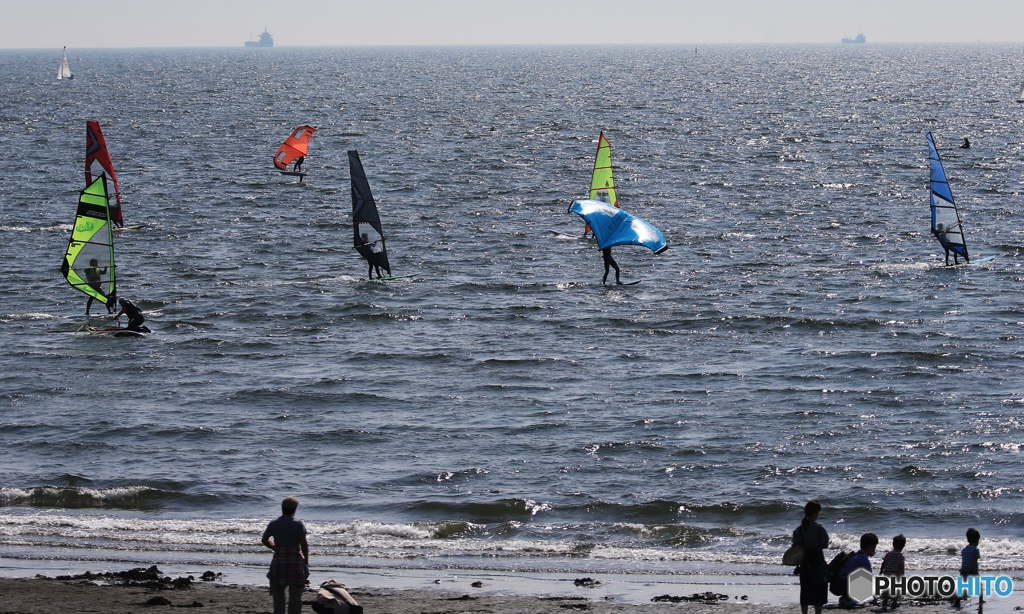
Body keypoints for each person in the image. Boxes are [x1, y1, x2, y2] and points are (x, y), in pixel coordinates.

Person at [262, 496, 309, 614]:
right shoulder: (298, 524)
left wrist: (274, 548)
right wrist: (306, 559)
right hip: (294, 559)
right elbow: (303, 543)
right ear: (295, 509)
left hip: (279, 559)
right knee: (296, 593)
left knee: (278, 592)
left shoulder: (274, 523)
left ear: (282, 508)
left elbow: (264, 539)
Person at [793, 500, 829, 614]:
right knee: (819, 590)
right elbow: (825, 544)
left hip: (804, 562)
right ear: (816, 513)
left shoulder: (798, 530)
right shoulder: (819, 527)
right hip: (817, 560)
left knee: (805, 590)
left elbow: (795, 547)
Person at [837, 533, 878, 608]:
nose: (874, 550)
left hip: (837, 584)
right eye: (874, 547)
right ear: (870, 547)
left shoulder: (856, 555)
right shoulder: (863, 559)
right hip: (841, 585)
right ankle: (848, 599)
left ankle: (846, 597)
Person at [953, 528, 981, 608]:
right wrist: (972, 569)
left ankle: (957, 602)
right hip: (972, 570)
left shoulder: (964, 550)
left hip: (963, 570)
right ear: (976, 540)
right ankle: (980, 599)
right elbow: (974, 560)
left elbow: (964, 560)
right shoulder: (975, 549)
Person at [879, 534, 906, 610]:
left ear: (893, 544)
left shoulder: (888, 554)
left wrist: (881, 570)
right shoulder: (901, 556)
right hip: (896, 575)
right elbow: (901, 566)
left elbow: (883, 563)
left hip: (887, 574)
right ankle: (894, 602)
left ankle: (885, 601)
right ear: (903, 546)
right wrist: (902, 574)